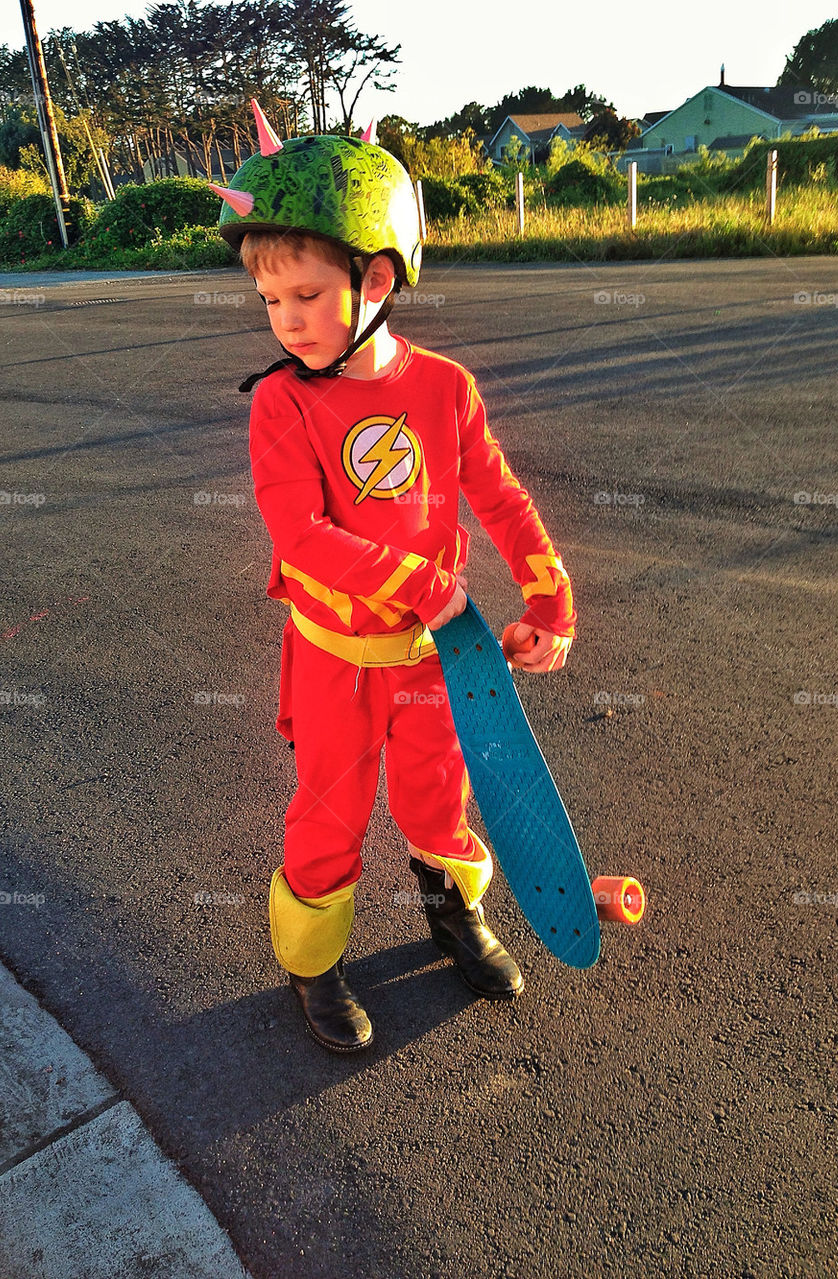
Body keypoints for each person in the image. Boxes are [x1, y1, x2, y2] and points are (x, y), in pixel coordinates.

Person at [211, 102, 577, 1053]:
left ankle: (452, 914)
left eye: (305, 295)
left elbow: (499, 497)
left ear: (376, 278)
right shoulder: (281, 403)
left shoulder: (445, 388)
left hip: (430, 657)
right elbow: (301, 538)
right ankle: (313, 962)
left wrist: (549, 597)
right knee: (328, 816)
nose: (286, 320)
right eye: (270, 301)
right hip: (333, 658)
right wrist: (419, 580)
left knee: (437, 802)